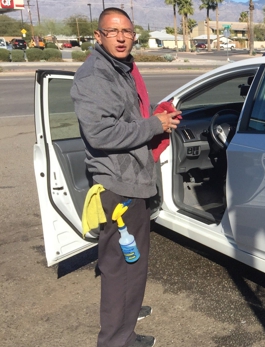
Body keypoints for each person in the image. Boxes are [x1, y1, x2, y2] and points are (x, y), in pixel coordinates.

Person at [71, 7, 180, 347]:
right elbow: (101, 133)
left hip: (131, 180)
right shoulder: (94, 76)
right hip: (119, 186)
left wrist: (158, 118)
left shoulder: (121, 69)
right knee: (121, 268)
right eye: (113, 31)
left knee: (129, 265)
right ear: (98, 36)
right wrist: (154, 125)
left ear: (134, 36)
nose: (121, 37)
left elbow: (127, 116)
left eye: (127, 32)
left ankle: (125, 325)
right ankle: (117, 340)